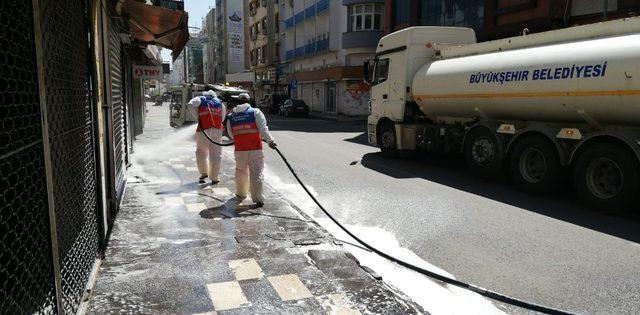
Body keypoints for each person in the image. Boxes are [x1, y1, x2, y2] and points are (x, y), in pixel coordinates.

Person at [226, 93, 276, 207]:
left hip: (240, 149)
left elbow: (230, 134)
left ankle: (241, 193)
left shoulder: (231, 116)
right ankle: (258, 199)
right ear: (249, 101)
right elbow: (263, 129)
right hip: (255, 149)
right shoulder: (255, 112)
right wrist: (270, 141)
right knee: (256, 174)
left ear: (238, 102)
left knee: (240, 172)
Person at [187, 90, 225, 185]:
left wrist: (198, 117)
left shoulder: (200, 99)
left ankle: (204, 173)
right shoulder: (220, 103)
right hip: (217, 130)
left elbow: (190, 104)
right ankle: (215, 178)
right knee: (216, 154)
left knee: (201, 152)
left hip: (203, 129)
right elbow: (223, 118)